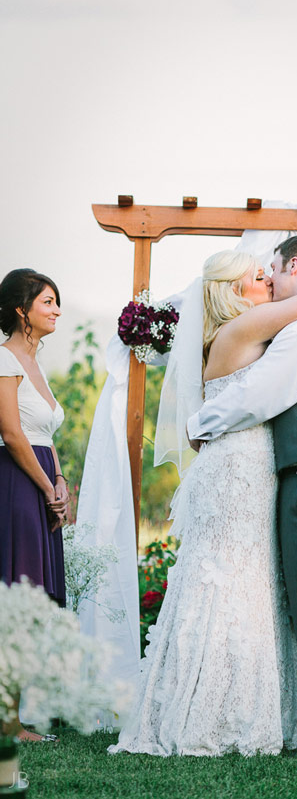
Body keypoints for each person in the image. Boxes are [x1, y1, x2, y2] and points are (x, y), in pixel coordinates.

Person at [109, 249, 297, 757]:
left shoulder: (249, 331)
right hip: (241, 466)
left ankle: (248, 706)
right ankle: (212, 710)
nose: (265, 279)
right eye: (255, 276)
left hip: (254, 465)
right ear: (231, 289)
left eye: (269, 271)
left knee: (251, 582)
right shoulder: (241, 331)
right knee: (228, 580)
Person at [188, 233, 297, 756]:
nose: (268, 279)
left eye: (272, 269)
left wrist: (201, 421)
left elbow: (258, 395)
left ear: (294, 265)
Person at [0, 268, 68, 742]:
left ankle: (12, 717)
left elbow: (45, 433)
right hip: (17, 483)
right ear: (22, 310)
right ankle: (8, 722)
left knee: (30, 601)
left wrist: (62, 481)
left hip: (42, 478)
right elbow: (12, 434)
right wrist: (45, 488)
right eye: (47, 302)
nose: (56, 310)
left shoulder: (37, 362)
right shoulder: (5, 359)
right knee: (15, 597)